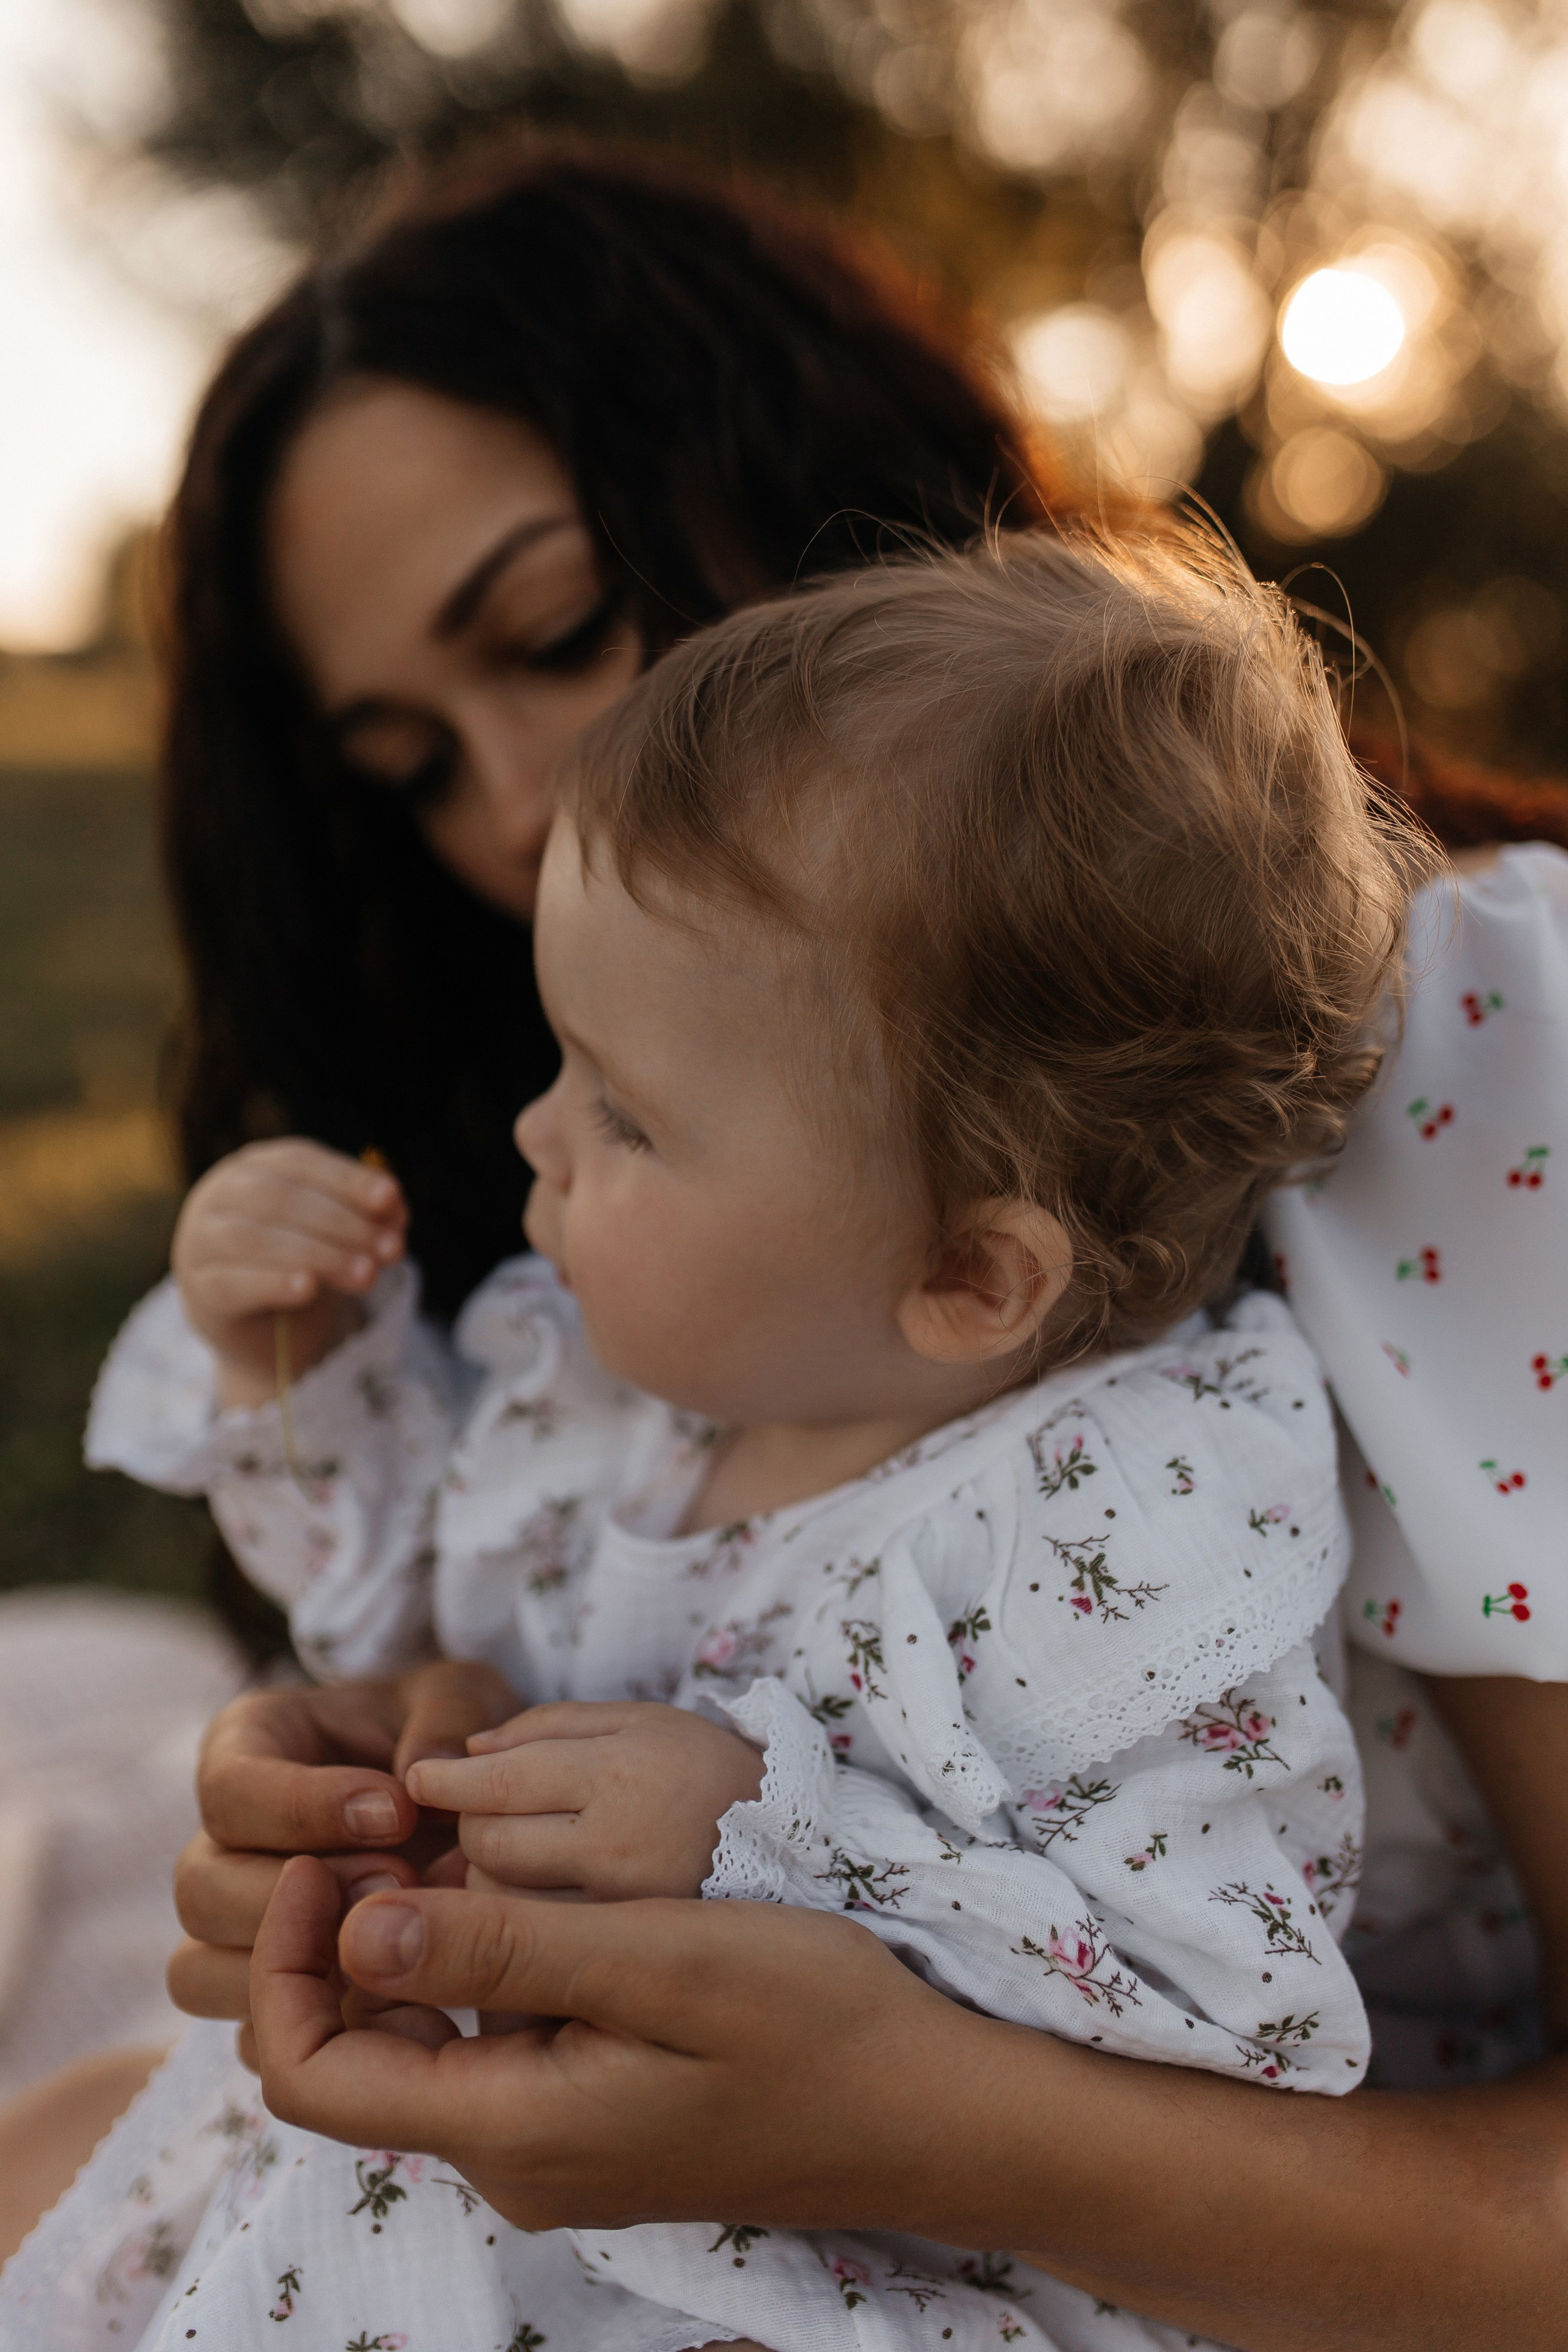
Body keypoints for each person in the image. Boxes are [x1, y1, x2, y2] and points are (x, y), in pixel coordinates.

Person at [4, 132, 1568, 2351]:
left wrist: (890, 2096)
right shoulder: (678, 1257)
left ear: (813, 485)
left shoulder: (1473, 1053)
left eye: (553, 632)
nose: (516, 804)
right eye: (404, 766)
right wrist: (405, 1791)